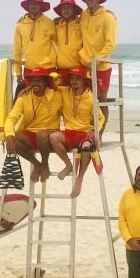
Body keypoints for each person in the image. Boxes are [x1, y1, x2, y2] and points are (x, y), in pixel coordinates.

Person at [49, 67, 104, 197]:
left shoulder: (91, 97)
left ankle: (80, 178)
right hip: (69, 132)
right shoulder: (64, 91)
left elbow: (101, 117)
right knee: (53, 137)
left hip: (84, 133)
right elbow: (52, 84)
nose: (74, 81)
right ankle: (68, 165)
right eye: (72, 78)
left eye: (78, 78)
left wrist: (94, 130)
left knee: (87, 146)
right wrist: (59, 77)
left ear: (84, 81)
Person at [4, 68, 62, 183]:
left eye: (39, 81)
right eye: (33, 81)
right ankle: (37, 164)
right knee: (12, 138)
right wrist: (9, 135)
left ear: (45, 82)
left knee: (41, 134)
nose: (35, 83)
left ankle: (45, 164)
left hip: (50, 135)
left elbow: (60, 79)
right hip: (31, 134)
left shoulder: (57, 95)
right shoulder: (24, 97)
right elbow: (11, 118)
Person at [77, 0, 117, 136]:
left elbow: (110, 44)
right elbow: (69, 19)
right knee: (86, 99)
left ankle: (99, 134)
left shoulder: (108, 16)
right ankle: (87, 132)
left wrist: (95, 61)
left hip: (101, 66)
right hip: (84, 64)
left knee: (101, 99)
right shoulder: (83, 15)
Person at [13, 0, 57, 88]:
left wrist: (62, 21)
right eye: (31, 4)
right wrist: (18, 73)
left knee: (51, 95)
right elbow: (17, 50)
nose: (33, 6)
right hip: (30, 68)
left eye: (36, 4)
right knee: (30, 96)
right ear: (28, 6)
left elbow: (60, 43)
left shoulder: (50, 22)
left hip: (48, 67)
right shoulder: (20, 25)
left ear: (41, 6)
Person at [53, 0, 83, 84]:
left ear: (74, 10)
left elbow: (92, 18)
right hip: (61, 68)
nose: (66, 10)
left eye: (69, 8)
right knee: (62, 92)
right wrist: (26, 16)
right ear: (61, 11)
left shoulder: (81, 23)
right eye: (64, 8)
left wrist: (106, 11)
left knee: (78, 92)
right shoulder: (56, 25)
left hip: (78, 68)